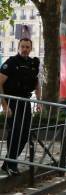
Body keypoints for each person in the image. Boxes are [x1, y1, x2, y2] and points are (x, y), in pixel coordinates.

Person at [0, 38, 41, 176]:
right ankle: (12, 164)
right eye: (22, 46)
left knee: (24, 134)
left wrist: (39, 102)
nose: (25, 49)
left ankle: (8, 163)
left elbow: (36, 84)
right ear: (18, 47)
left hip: (25, 102)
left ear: (31, 48)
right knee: (15, 132)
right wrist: (4, 105)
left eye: (27, 47)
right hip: (12, 101)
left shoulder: (32, 64)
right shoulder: (11, 62)